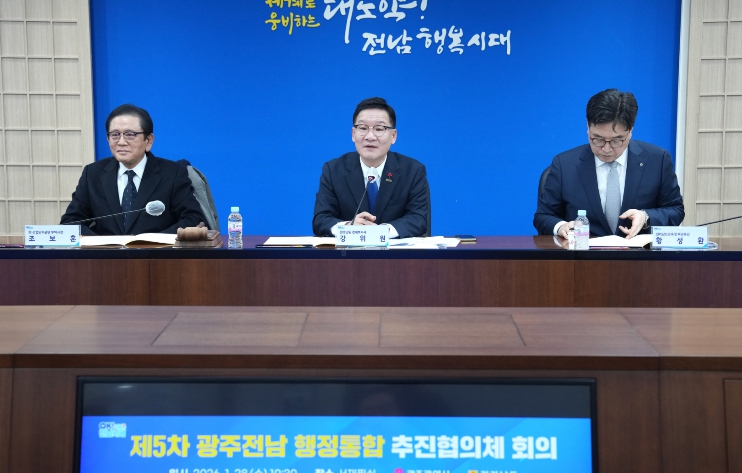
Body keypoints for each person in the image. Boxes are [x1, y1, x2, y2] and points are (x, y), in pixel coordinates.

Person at [533, 89, 684, 239]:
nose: (606, 149)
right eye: (597, 139)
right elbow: (543, 216)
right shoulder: (565, 165)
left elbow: (676, 210)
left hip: (638, 253)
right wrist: (561, 227)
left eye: (617, 141)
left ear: (630, 130)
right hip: (583, 252)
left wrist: (646, 217)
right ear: (588, 127)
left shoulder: (657, 160)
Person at [60, 104, 204, 235]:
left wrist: (154, 241)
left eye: (130, 134)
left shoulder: (173, 173)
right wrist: (102, 243)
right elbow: (70, 222)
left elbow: (194, 219)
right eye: (115, 135)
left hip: (156, 253)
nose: (121, 142)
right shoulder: (93, 174)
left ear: (149, 140)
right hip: (106, 254)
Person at [313, 97, 430, 238]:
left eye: (379, 129)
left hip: (395, 251)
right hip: (349, 251)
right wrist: (349, 227)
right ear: (353, 134)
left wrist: (381, 232)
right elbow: (321, 219)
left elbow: (418, 219)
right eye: (362, 128)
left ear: (393, 136)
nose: (370, 136)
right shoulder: (333, 170)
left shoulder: (412, 171)